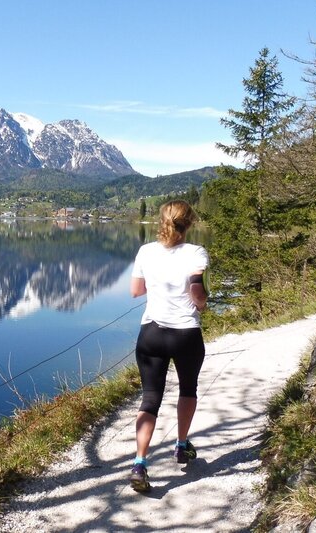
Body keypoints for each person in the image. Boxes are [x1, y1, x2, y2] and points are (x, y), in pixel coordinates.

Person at [128, 200, 208, 493]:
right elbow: (197, 290)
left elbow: (136, 290)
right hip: (185, 333)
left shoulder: (146, 251)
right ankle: (181, 445)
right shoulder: (195, 252)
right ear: (190, 223)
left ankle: (139, 463)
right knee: (188, 389)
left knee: (150, 398)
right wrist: (200, 303)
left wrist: (158, 284)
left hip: (151, 333)